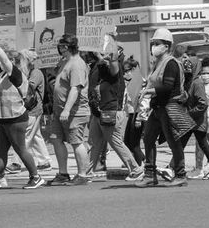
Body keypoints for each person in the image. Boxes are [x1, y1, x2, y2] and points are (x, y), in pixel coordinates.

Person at [135, 28, 196, 187]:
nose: (153, 46)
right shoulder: (158, 63)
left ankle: (180, 174)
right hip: (158, 107)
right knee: (148, 138)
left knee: (173, 141)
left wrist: (149, 91)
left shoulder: (171, 63)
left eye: (157, 43)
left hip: (169, 107)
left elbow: (168, 87)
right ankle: (150, 175)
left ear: (167, 46)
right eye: (153, 43)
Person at [0, 36, 45, 189]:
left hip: (16, 117)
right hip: (3, 117)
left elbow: (4, 60)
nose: (0, 62)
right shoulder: (1, 73)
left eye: (4, 61)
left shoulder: (15, 73)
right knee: (1, 150)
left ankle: (36, 177)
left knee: (20, 148)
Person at [86, 44, 144, 181]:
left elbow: (113, 65)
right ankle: (86, 172)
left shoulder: (114, 72)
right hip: (98, 112)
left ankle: (136, 169)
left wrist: (110, 55)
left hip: (111, 112)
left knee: (116, 142)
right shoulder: (100, 71)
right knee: (94, 143)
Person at [47, 34, 91, 186]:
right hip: (59, 111)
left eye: (60, 46)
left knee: (76, 142)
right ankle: (63, 173)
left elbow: (75, 89)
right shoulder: (65, 62)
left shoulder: (77, 64)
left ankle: (82, 175)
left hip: (74, 112)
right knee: (55, 138)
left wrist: (66, 109)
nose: (58, 49)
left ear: (65, 47)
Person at [21, 49, 51, 172]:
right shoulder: (31, 72)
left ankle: (16, 162)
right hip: (32, 108)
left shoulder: (36, 72)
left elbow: (29, 87)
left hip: (33, 108)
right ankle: (44, 161)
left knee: (26, 136)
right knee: (35, 135)